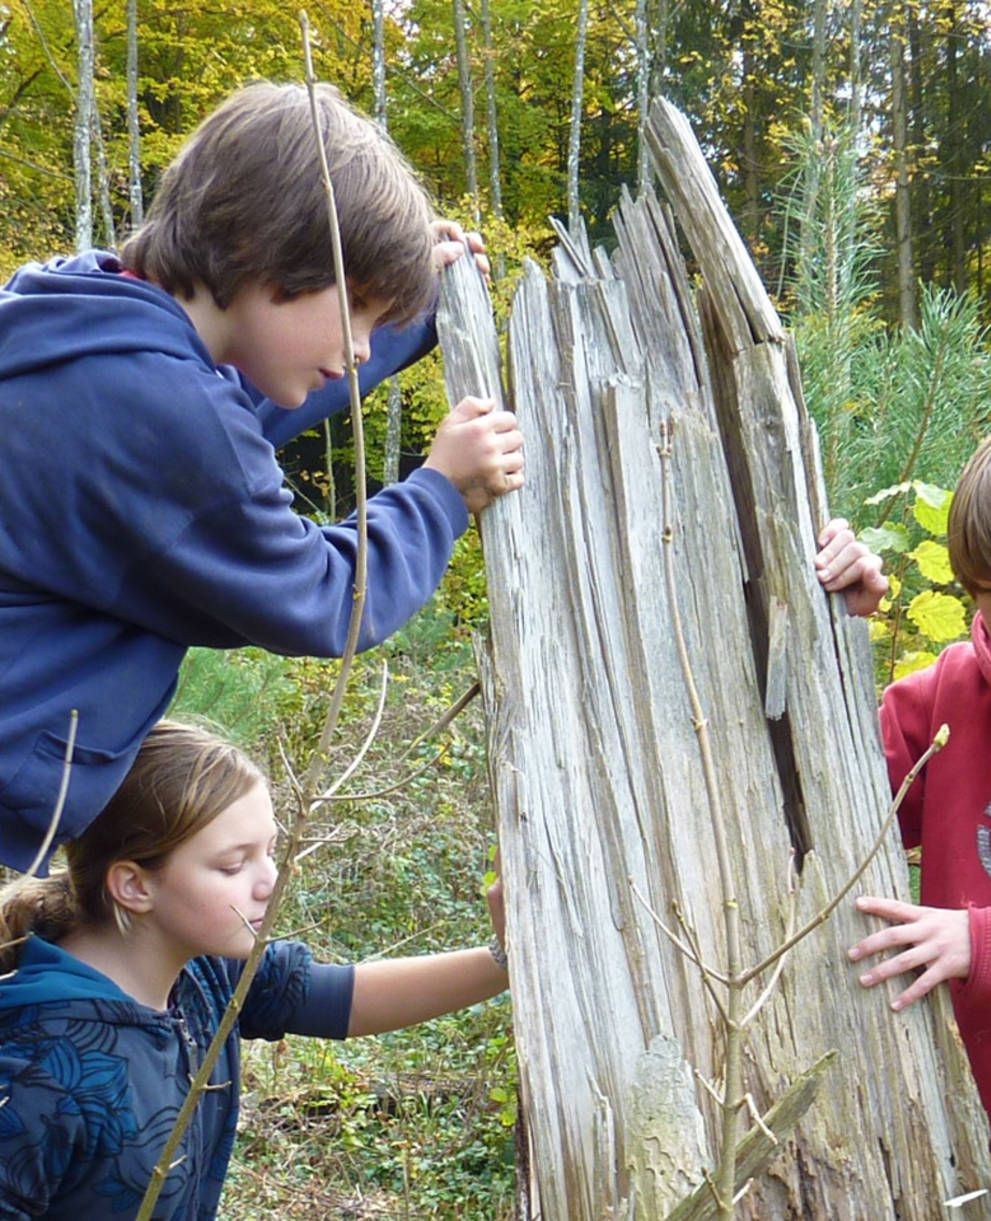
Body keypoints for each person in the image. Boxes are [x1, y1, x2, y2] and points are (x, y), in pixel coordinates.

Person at [0, 80, 524, 874]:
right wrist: (442, 491)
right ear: (260, 251)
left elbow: (229, 405)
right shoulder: (160, 413)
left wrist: (407, 320)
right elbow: (321, 599)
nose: (356, 347)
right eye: (356, 309)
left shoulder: (79, 319)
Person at [0, 719, 509, 1219]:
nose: (270, 880)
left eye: (269, 851)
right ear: (135, 886)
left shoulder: (205, 975)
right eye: (232, 865)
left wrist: (508, 958)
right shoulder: (35, 1070)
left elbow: (341, 999)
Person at [836, 439, 991, 1124]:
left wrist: (979, 941)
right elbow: (816, 803)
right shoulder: (944, 700)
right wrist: (835, 627)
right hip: (962, 1128)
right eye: (987, 595)